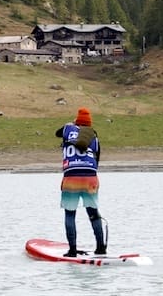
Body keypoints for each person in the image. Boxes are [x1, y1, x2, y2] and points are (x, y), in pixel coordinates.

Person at [55, 107, 106, 257]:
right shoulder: (93, 137)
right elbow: (97, 158)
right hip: (90, 176)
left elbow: (57, 133)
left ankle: (72, 251)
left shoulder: (67, 129)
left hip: (72, 176)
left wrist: (70, 124)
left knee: (70, 214)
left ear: (77, 120)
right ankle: (101, 248)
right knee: (93, 213)